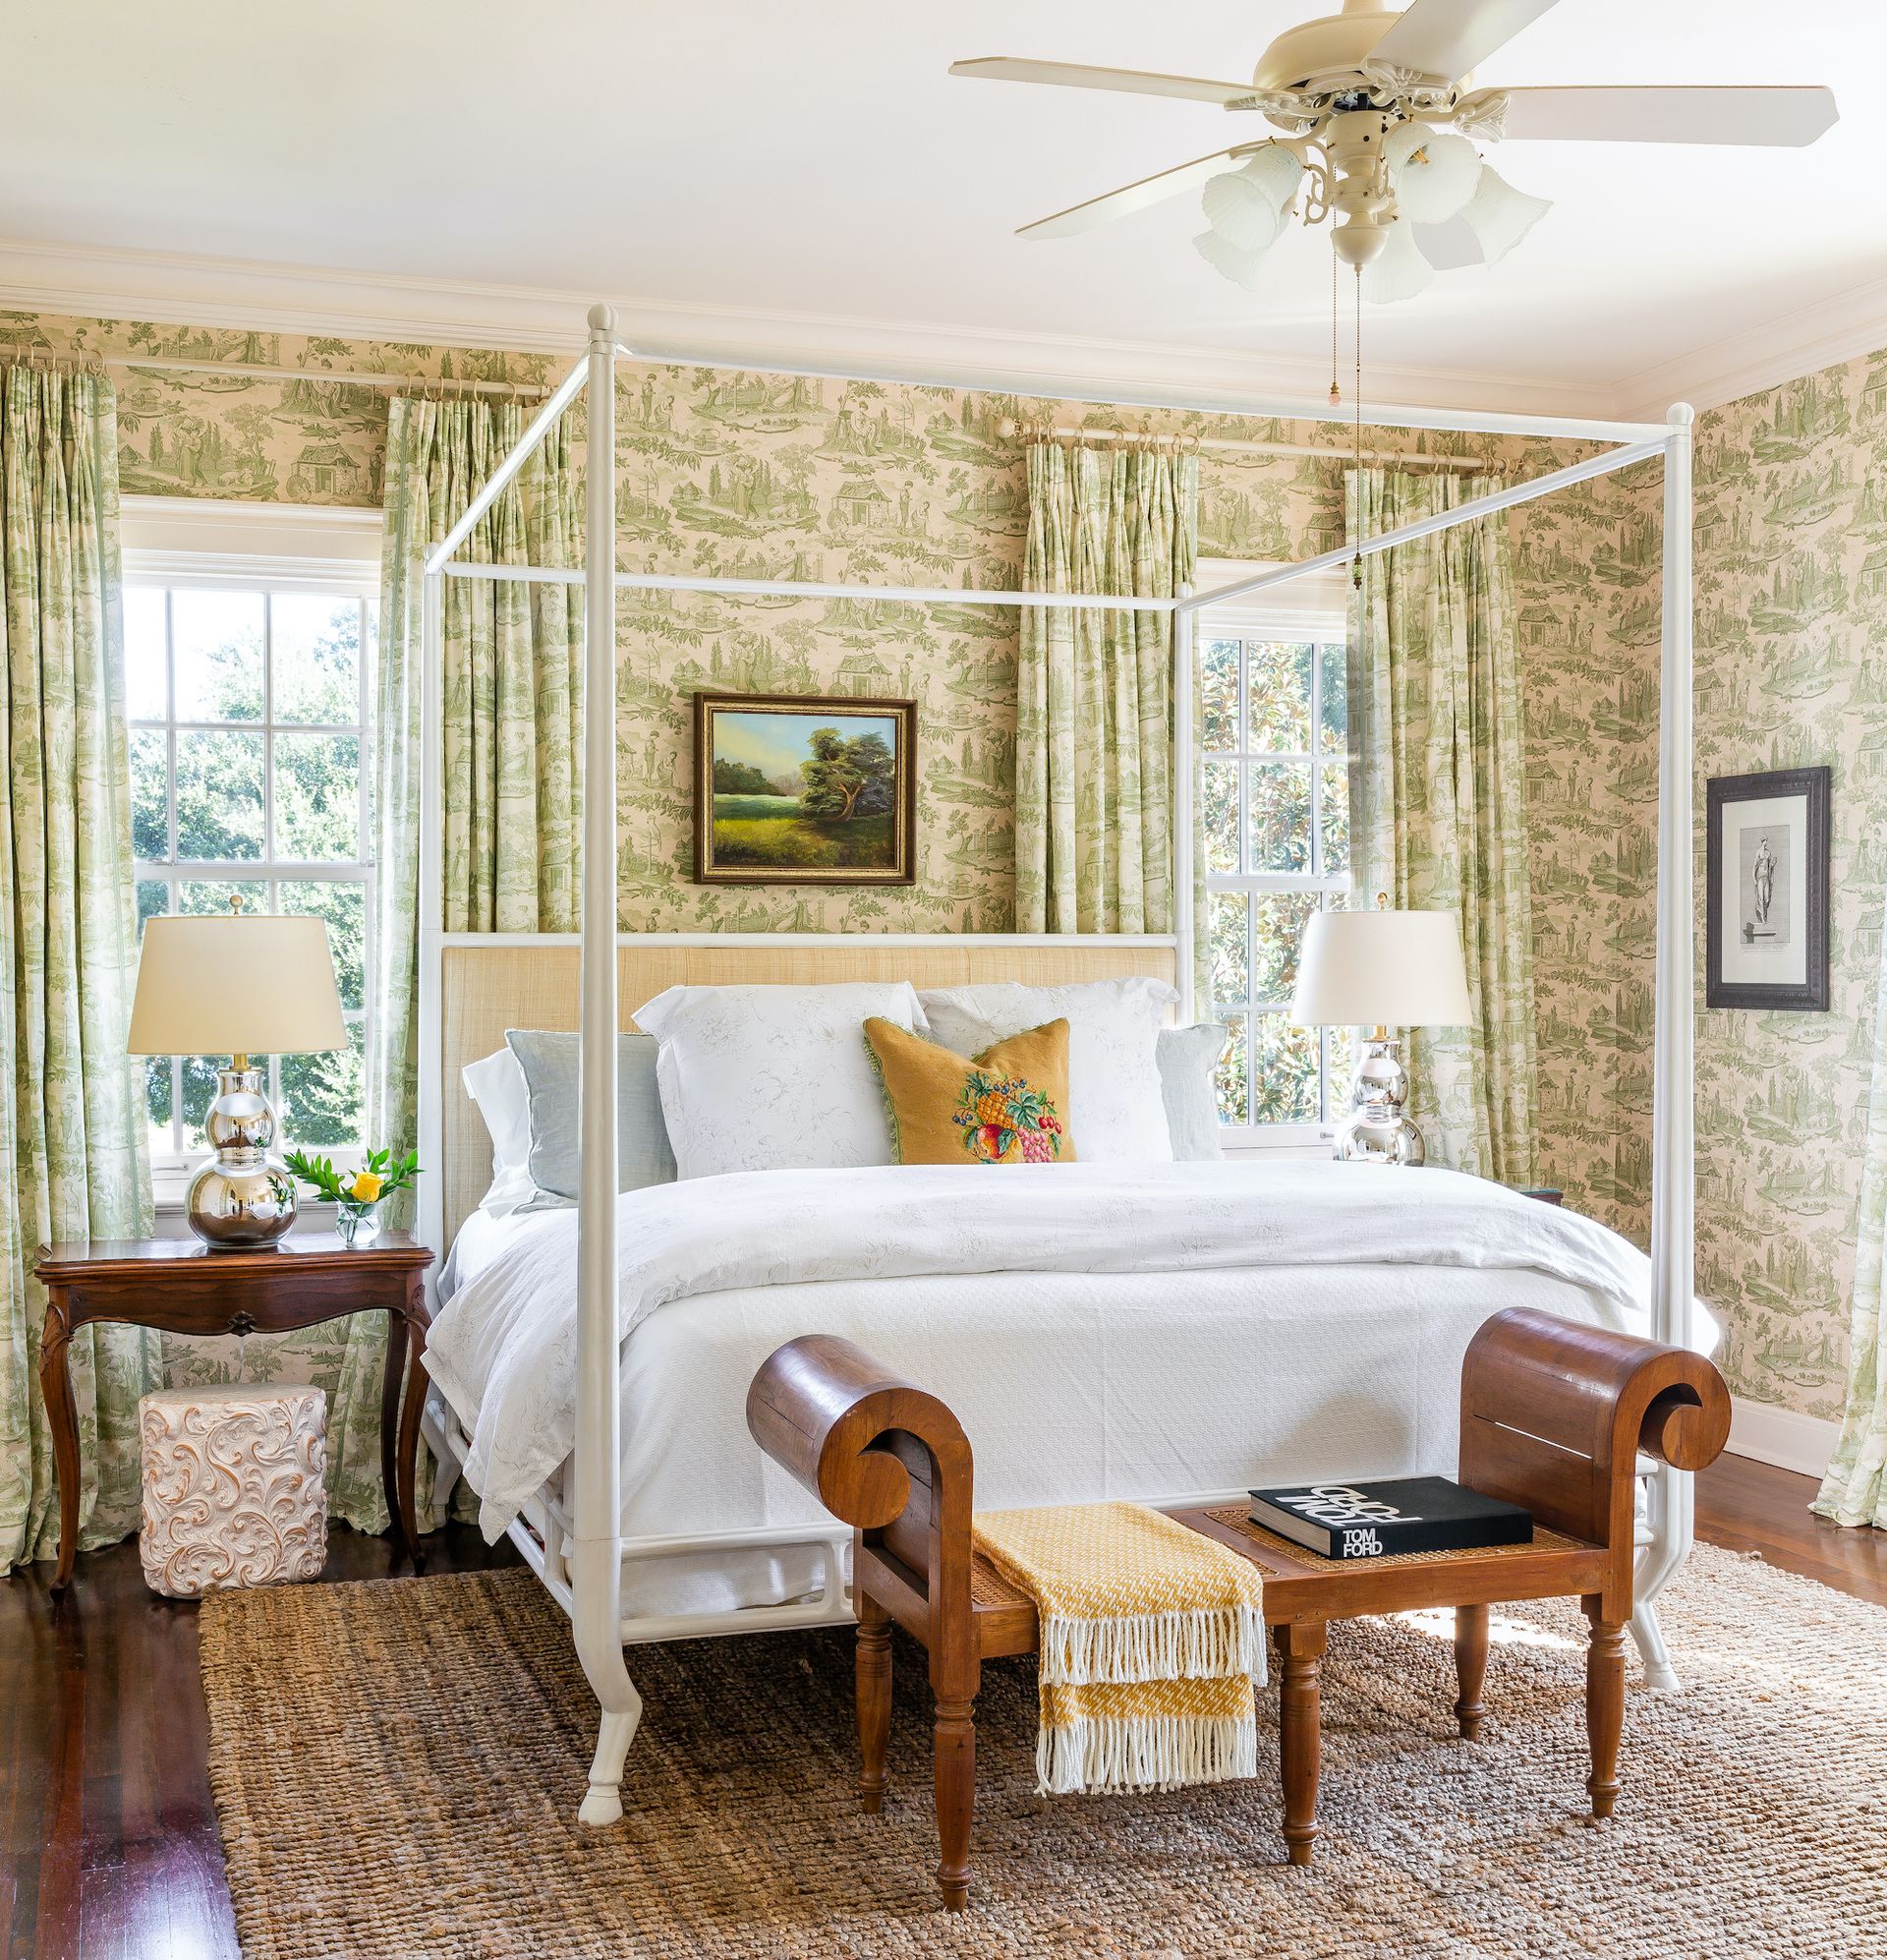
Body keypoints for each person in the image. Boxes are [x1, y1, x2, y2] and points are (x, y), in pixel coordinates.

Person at [1752, 836, 1776, 927]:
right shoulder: (1758, 852)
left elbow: (1770, 867)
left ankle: (1764, 917)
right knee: (1761, 898)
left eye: (1767, 840)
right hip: (1760, 877)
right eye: (1766, 840)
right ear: (1763, 841)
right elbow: (1755, 866)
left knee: (1766, 899)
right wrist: (1754, 879)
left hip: (1766, 877)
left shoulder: (1768, 853)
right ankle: (1762, 919)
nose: (1766, 842)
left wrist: (1773, 865)